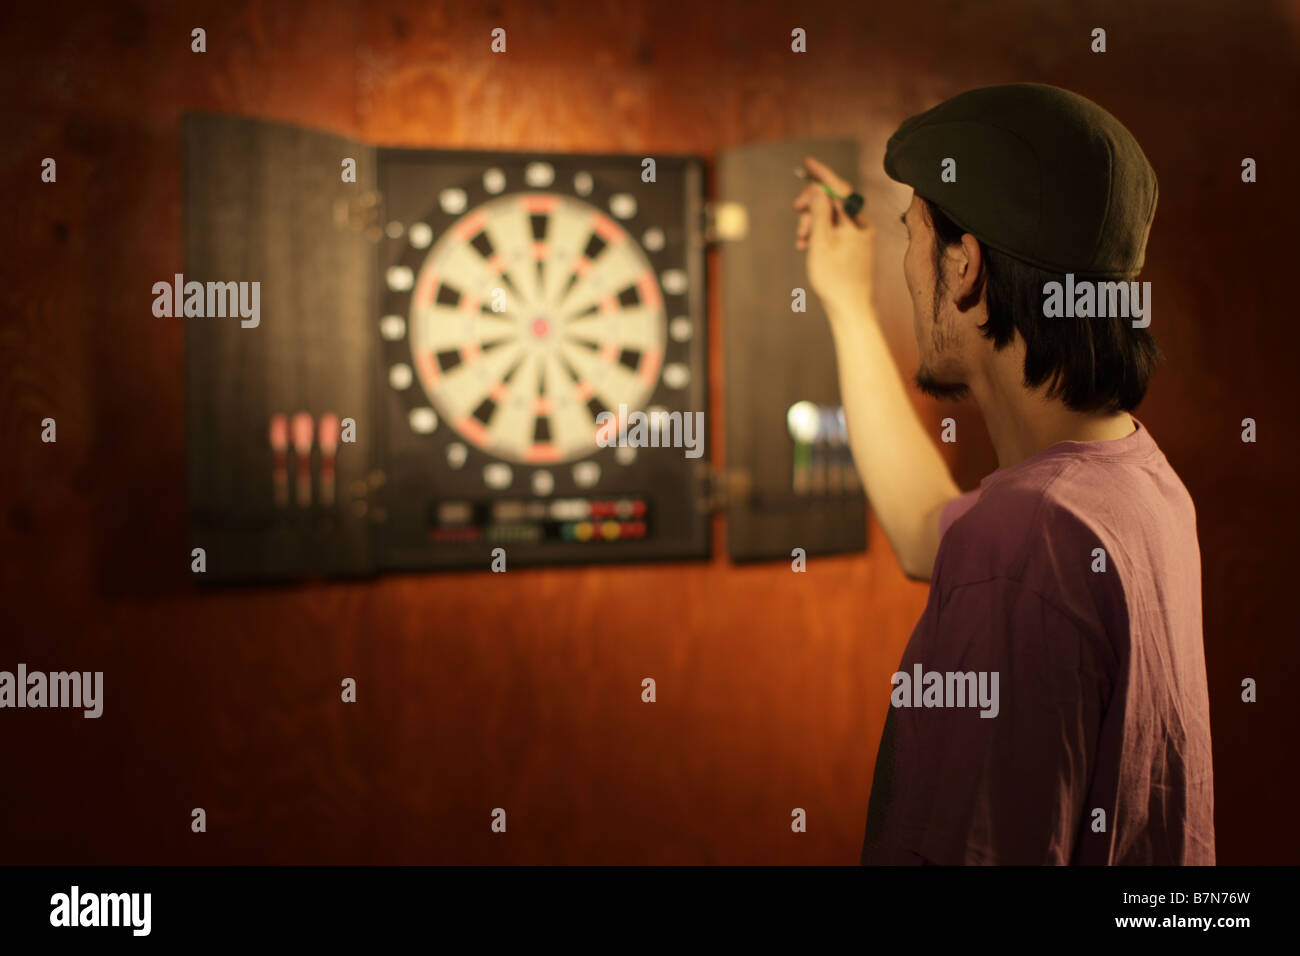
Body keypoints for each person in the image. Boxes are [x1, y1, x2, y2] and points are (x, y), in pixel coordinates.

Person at [793, 83, 1214, 865]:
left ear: (965, 265)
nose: (908, 260)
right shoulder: (1134, 483)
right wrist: (847, 306)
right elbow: (928, 534)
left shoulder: (1025, 540)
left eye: (911, 232)